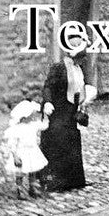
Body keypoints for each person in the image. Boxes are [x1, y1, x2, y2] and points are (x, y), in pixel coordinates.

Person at [40, 45, 89, 192]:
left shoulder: (79, 69)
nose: (82, 60)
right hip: (58, 108)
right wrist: (47, 102)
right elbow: (48, 86)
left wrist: (82, 105)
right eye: (80, 57)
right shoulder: (59, 67)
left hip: (71, 110)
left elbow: (80, 89)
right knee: (57, 142)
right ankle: (55, 181)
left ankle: (72, 180)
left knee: (71, 141)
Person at [4, 100, 49, 199]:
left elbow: (44, 126)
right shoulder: (16, 129)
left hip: (32, 150)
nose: (34, 116)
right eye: (31, 114)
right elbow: (12, 143)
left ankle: (32, 188)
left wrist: (45, 115)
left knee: (33, 170)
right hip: (22, 152)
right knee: (21, 171)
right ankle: (19, 189)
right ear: (24, 116)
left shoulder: (33, 125)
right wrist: (15, 155)